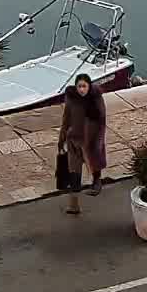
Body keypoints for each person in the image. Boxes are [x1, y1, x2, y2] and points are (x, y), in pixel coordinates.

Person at [57, 76, 106, 214]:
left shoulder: (95, 98)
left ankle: (97, 183)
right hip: (74, 141)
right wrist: (61, 138)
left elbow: (102, 120)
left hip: (90, 141)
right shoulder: (72, 99)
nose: (81, 89)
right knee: (74, 174)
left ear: (89, 86)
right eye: (79, 86)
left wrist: (98, 140)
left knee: (94, 166)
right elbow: (66, 118)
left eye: (84, 86)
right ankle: (74, 205)